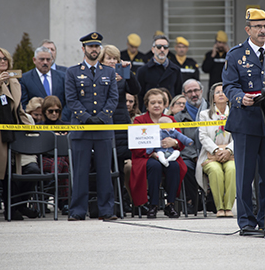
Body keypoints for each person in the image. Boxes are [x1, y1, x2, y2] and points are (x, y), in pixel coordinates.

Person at [222, 8, 265, 233]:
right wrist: (241, 98)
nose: (263, 31)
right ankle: (246, 222)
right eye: (258, 27)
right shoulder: (235, 54)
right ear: (247, 29)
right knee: (244, 176)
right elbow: (229, 86)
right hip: (245, 121)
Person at [65, 32, 119, 221]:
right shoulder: (72, 72)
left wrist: (102, 117)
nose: (94, 50)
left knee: (105, 172)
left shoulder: (109, 72)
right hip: (81, 129)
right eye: (90, 47)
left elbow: (113, 98)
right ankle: (78, 211)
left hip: (103, 129)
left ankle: (106, 210)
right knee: (80, 172)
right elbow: (71, 99)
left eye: (97, 47)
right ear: (83, 49)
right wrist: (86, 118)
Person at [0, 47, 36, 220]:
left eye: (5, 59)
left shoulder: (14, 79)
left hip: (13, 129)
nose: (3, 62)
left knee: (14, 170)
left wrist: (29, 125)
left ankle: (16, 207)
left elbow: (18, 108)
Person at [130, 88, 187, 218]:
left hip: (167, 155)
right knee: (154, 166)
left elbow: (181, 142)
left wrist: (175, 143)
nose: (157, 105)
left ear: (164, 104)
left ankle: (170, 204)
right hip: (145, 156)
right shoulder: (139, 120)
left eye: (160, 102)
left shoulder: (170, 119)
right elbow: (135, 145)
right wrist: (151, 154)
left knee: (174, 166)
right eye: (153, 102)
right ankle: (153, 205)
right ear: (147, 105)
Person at [99, 44, 141, 214]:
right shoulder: (97, 76)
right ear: (101, 60)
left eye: (115, 58)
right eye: (108, 58)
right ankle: (111, 204)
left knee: (124, 164)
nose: (112, 61)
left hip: (121, 123)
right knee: (107, 166)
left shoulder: (121, 76)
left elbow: (136, 90)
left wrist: (128, 73)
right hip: (104, 123)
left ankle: (129, 202)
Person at [197, 83, 235, 218]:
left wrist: (229, 150)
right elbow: (203, 136)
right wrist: (216, 150)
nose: (221, 94)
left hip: (232, 155)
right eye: (217, 92)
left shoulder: (235, 113)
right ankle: (220, 207)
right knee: (215, 170)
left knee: (232, 169)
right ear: (212, 97)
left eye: (223, 92)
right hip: (210, 155)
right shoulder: (204, 114)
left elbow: (239, 135)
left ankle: (228, 207)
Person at [174, 79, 208, 214]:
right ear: (184, 94)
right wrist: (195, 156)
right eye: (189, 92)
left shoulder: (212, 112)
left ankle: (213, 200)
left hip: (209, 154)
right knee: (186, 166)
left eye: (196, 90)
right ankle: (193, 201)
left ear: (201, 91)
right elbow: (179, 141)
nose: (194, 94)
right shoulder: (178, 117)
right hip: (189, 156)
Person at [20, 46, 69, 122]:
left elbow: (68, 101)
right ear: (34, 60)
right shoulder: (25, 79)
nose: (45, 62)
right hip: (37, 125)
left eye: (48, 59)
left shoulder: (63, 77)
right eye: (42, 59)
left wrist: (59, 119)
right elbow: (23, 104)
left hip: (60, 125)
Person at [39, 95, 70, 215]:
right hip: (44, 159)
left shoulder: (65, 126)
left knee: (62, 158)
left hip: (61, 160)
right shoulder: (39, 127)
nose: (54, 114)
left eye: (57, 111)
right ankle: (64, 202)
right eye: (50, 111)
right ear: (44, 111)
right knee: (63, 165)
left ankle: (52, 181)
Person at [136, 35, 183, 111]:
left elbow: (178, 94)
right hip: (149, 112)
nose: (162, 49)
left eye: (165, 47)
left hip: (169, 112)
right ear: (153, 49)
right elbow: (139, 95)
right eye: (158, 47)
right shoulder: (142, 71)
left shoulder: (176, 70)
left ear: (168, 50)